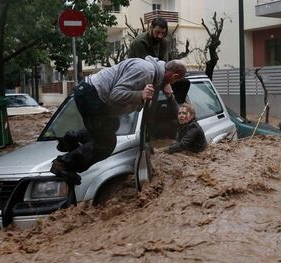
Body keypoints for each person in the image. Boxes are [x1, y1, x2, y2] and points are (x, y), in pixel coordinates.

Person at [50, 57, 187, 184]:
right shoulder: (146, 72)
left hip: (91, 93)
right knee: (107, 143)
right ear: (174, 76)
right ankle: (63, 165)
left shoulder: (152, 70)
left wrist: (162, 88)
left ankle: (71, 139)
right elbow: (116, 95)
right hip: (92, 95)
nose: (172, 84)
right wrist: (141, 95)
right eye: (174, 81)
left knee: (112, 125)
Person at [127, 17, 190, 105]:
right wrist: (165, 84)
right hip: (140, 74)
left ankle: (178, 110)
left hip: (157, 73)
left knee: (184, 83)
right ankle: (150, 114)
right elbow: (145, 68)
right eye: (157, 32)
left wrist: (168, 82)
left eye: (163, 33)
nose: (160, 35)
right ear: (151, 28)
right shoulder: (140, 42)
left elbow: (164, 64)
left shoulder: (164, 41)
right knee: (154, 88)